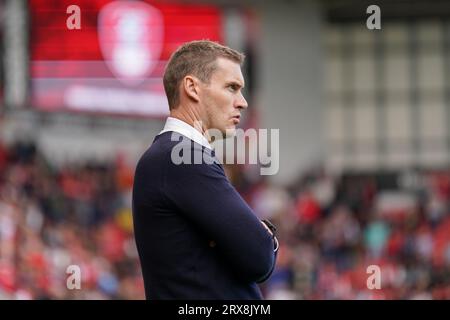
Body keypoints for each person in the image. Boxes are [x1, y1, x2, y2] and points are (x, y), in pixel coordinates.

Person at [132, 40, 278, 300]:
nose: (242, 102)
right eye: (231, 87)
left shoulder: (173, 157)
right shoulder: (181, 159)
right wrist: (265, 238)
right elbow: (259, 257)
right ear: (192, 88)